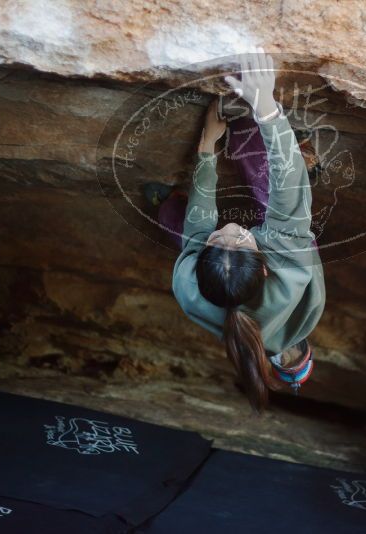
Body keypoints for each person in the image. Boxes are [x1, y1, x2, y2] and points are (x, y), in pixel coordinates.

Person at [152, 47, 326, 414]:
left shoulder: (187, 285)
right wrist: (264, 107)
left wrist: (206, 146)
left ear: (201, 265)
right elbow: (289, 189)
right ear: (264, 267)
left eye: (219, 239)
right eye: (241, 238)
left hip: (243, 254)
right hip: (286, 250)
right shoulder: (290, 275)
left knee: (182, 229)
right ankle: (246, 132)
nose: (232, 225)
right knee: (268, 192)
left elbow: (199, 227)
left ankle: (169, 205)